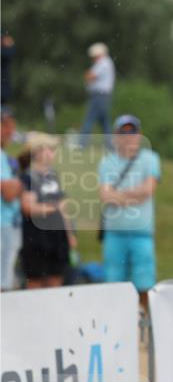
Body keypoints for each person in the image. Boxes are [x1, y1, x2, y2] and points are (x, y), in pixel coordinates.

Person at [99, 115, 161, 309]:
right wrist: (134, 195)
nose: (128, 137)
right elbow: (106, 196)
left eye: (132, 132)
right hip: (114, 234)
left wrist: (120, 196)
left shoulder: (150, 159)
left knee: (144, 285)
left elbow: (148, 189)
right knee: (114, 284)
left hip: (141, 234)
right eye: (123, 133)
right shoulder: (107, 162)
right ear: (116, 136)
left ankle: (143, 326)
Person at [19, 134, 74, 288]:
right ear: (37, 153)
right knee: (36, 280)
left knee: (56, 278)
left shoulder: (53, 176)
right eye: (48, 149)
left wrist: (69, 234)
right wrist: (55, 207)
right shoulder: (28, 177)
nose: (51, 153)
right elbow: (28, 208)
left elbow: (64, 208)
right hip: (35, 237)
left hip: (56, 237)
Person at [1, 106, 23, 290]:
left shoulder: (5, 157)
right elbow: (8, 193)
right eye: (5, 125)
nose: (10, 131)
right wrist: (20, 182)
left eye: (11, 126)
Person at [80, 42, 115, 147]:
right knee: (104, 122)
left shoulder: (103, 63)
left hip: (99, 95)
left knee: (89, 119)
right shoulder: (105, 63)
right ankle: (110, 145)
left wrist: (87, 75)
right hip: (103, 96)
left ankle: (82, 143)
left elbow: (90, 76)